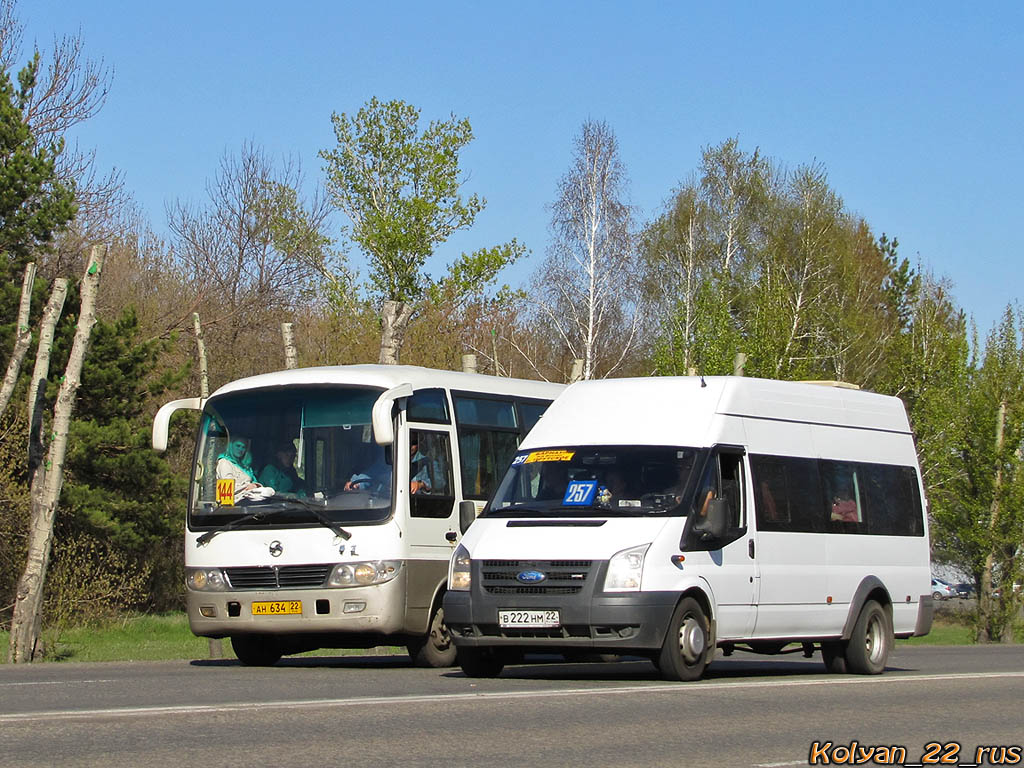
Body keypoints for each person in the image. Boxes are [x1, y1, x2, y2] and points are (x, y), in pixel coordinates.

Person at [216, 437, 263, 501]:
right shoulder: (225, 462)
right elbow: (227, 489)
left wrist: (255, 485)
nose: (240, 449)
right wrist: (247, 486)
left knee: (270, 492)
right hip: (232, 501)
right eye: (238, 446)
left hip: (248, 497)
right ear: (231, 446)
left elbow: (254, 482)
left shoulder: (245, 466)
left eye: (243, 447)